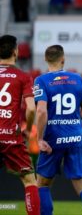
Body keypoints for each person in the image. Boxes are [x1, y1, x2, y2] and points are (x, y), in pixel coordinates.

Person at [34, 45, 82, 215]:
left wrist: (39, 138)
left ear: (45, 59)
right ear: (63, 59)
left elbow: (41, 111)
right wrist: (71, 121)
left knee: (42, 185)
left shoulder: (41, 81)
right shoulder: (77, 79)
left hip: (52, 139)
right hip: (75, 138)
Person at [0, 35, 40, 215]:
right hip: (11, 136)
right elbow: (31, 109)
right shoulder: (23, 77)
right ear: (15, 51)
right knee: (30, 181)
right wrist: (27, 130)